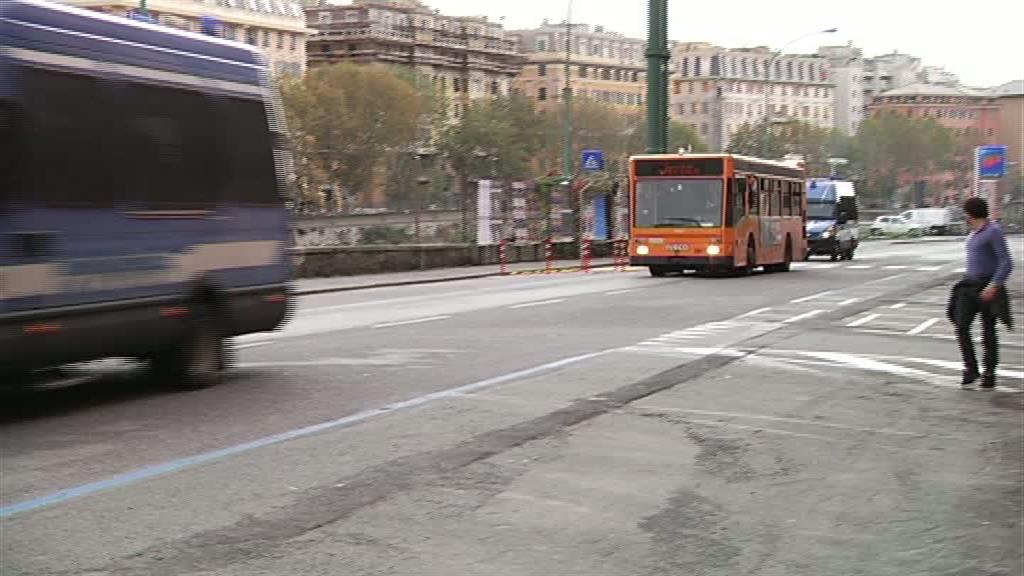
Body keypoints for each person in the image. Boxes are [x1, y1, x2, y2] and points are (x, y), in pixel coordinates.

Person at [947, 197, 1014, 389]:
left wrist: (994, 286)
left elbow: (1006, 262)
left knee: (988, 332)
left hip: (986, 286)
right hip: (969, 286)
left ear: (971, 213)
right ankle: (971, 368)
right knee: (961, 326)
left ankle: (989, 372)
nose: (964, 216)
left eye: (965, 212)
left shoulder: (993, 232)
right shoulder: (973, 233)